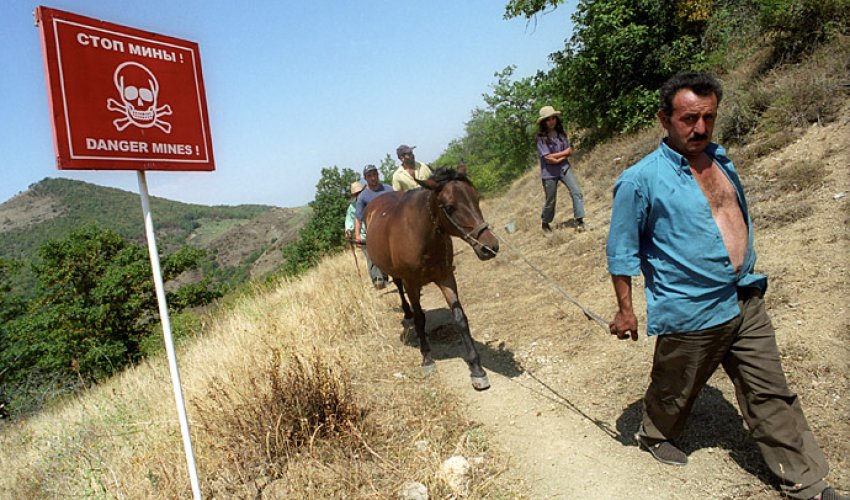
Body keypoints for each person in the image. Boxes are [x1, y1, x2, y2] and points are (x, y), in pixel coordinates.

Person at [606, 72, 845, 500]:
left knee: (769, 390)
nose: (699, 128)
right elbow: (621, 251)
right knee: (674, 387)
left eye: (708, 117)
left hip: (745, 296)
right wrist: (626, 309)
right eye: (688, 118)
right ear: (665, 119)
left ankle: (806, 482)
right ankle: (656, 432)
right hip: (690, 310)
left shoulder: (721, 159)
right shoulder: (639, 180)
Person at [536, 105, 586, 233]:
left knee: (576, 191)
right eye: (548, 119)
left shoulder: (561, 134)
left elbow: (569, 150)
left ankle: (580, 220)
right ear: (544, 122)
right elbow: (547, 158)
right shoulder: (541, 138)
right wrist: (561, 155)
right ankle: (545, 223)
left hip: (564, 168)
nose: (551, 121)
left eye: (553, 118)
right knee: (551, 199)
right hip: (549, 173)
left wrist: (556, 157)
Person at [354, 164, 393, 289]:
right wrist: (357, 235)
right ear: (365, 178)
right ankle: (379, 278)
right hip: (376, 232)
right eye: (369, 175)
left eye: (375, 174)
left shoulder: (389, 189)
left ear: (378, 175)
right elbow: (358, 218)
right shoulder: (363, 197)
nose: (373, 178)